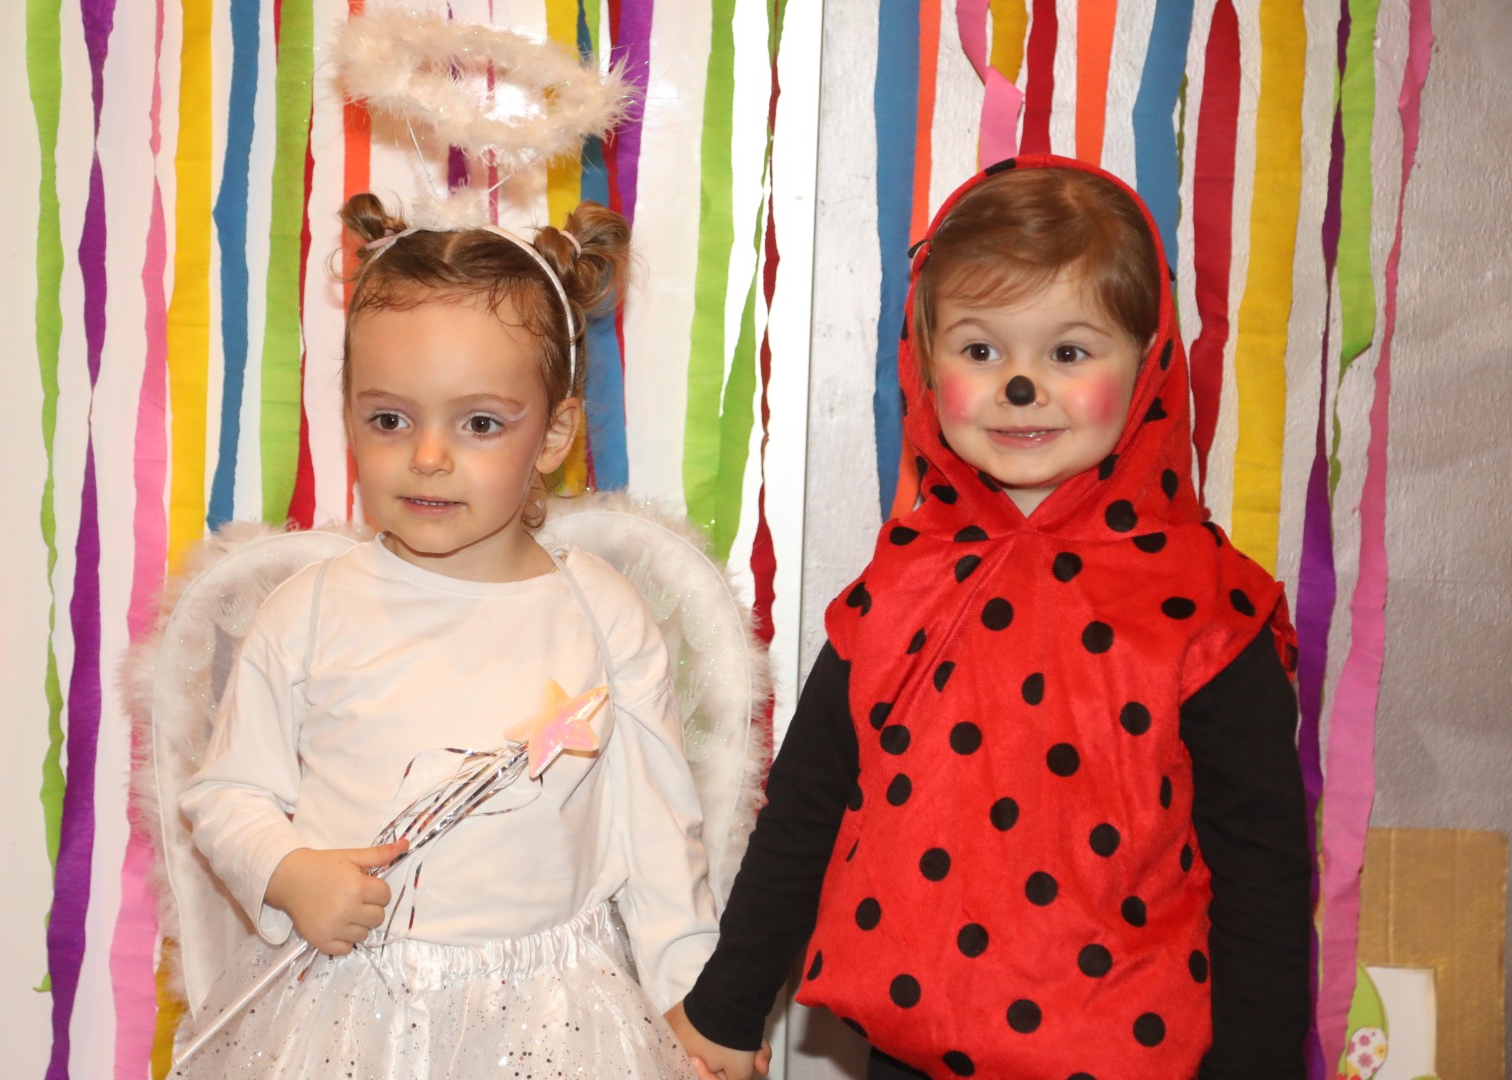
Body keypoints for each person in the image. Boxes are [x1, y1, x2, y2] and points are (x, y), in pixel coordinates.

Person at [667, 156, 1312, 1080]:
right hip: (911, 1056)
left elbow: (1262, 878)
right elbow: (806, 815)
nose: (1020, 385)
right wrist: (726, 1010)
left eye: (1069, 353)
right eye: (980, 351)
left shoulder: (1206, 611)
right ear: (926, 365)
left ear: (1149, 363)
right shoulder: (898, 591)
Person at [175, 194, 718, 1079]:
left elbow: (660, 837)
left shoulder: (600, 612)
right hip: (348, 1016)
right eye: (390, 419)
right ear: (348, 414)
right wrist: (289, 871)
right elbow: (227, 793)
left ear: (555, 432)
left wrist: (689, 1005)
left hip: (556, 1023)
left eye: (479, 423)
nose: (428, 457)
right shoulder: (308, 612)